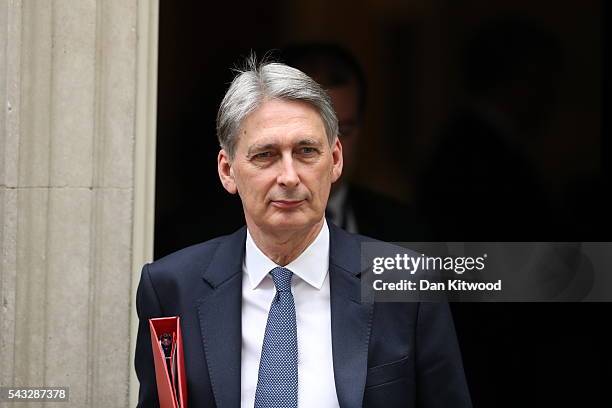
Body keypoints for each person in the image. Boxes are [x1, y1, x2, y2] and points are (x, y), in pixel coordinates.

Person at [134, 57, 471, 407]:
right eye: (266, 155)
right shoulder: (171, 289)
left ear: (335, 159)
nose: (290, 176)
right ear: (227, 171)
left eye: (306, 151)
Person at [280, 43, 430, 241]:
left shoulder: (404, 230)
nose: (330, 150)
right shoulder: (230, 233)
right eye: (313, 130)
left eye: (344, 130)